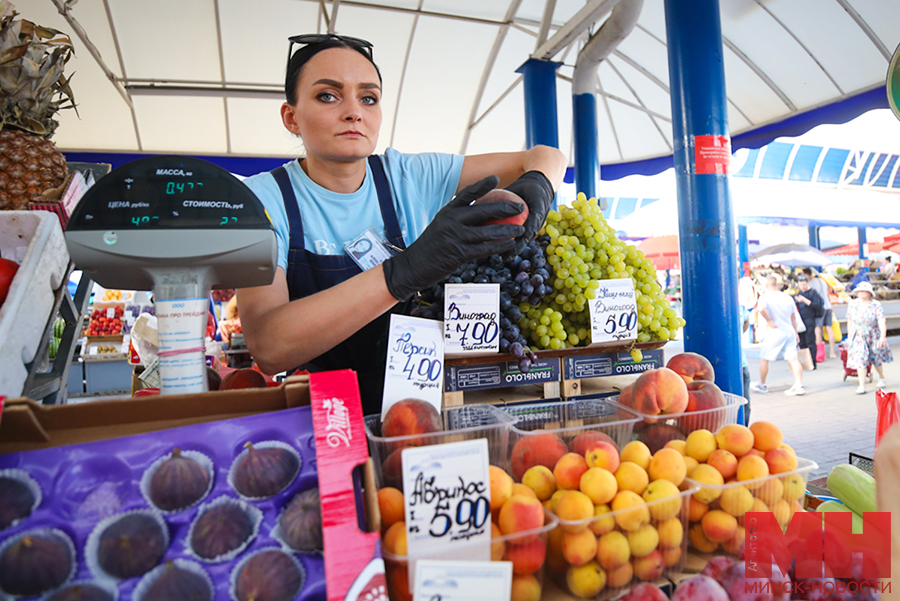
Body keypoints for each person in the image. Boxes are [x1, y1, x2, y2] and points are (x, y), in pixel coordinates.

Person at [235, 34, 567, 414]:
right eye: (328, 95)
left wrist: (539, 183)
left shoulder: (408, 177)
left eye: (368, 98)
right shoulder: (260, 200)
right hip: (323, 417)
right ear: (291, 117)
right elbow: (269, 346)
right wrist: (402, 272)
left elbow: (546, 155)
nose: (353, 112)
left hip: (419, 407)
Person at [751, 274, 805, 396]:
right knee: (793, 359)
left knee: (764, 358)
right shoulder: (787, 298)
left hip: (775, 331)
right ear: (778, 285)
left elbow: (761, 309)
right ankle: (798, 385)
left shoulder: (765, 297)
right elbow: (793, 317)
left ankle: (762, 384)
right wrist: (795, 332)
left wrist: (769, 321)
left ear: (766, 285)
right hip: (789, 330)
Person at [846, 281, 892, 394]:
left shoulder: (876, 304)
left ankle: (881, 377)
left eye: (863, 291)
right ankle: (862, 385)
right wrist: (849, 336)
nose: (861, 293)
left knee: (875, 357)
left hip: (872, 334)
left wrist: (883, 336)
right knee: (860, 358)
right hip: (858, 335)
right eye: (859, 291)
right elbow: (850, 320)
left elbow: (881, 321)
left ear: (869, 293)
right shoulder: (852, 304)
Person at [803, 267, 835, 360]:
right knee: (829, 328)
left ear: (807, 275)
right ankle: (832, 352)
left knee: (818, 329)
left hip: (820, 308)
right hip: (828, 306)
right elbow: (827, 293)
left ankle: (819, 353)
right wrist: (830, 304)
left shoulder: (811, 283)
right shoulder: (822, 280)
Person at [793, 275, 823, 370]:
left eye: (804, 285)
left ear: (808, 283)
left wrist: (805, 301)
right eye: (801, 285)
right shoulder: (799, 293)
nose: (802, 287)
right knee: (802, 343)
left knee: (810, 341)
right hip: (800, 321)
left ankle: (812, 362)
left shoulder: (813, 293)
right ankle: (804, 363)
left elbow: (817, 306)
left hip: (810, 319)